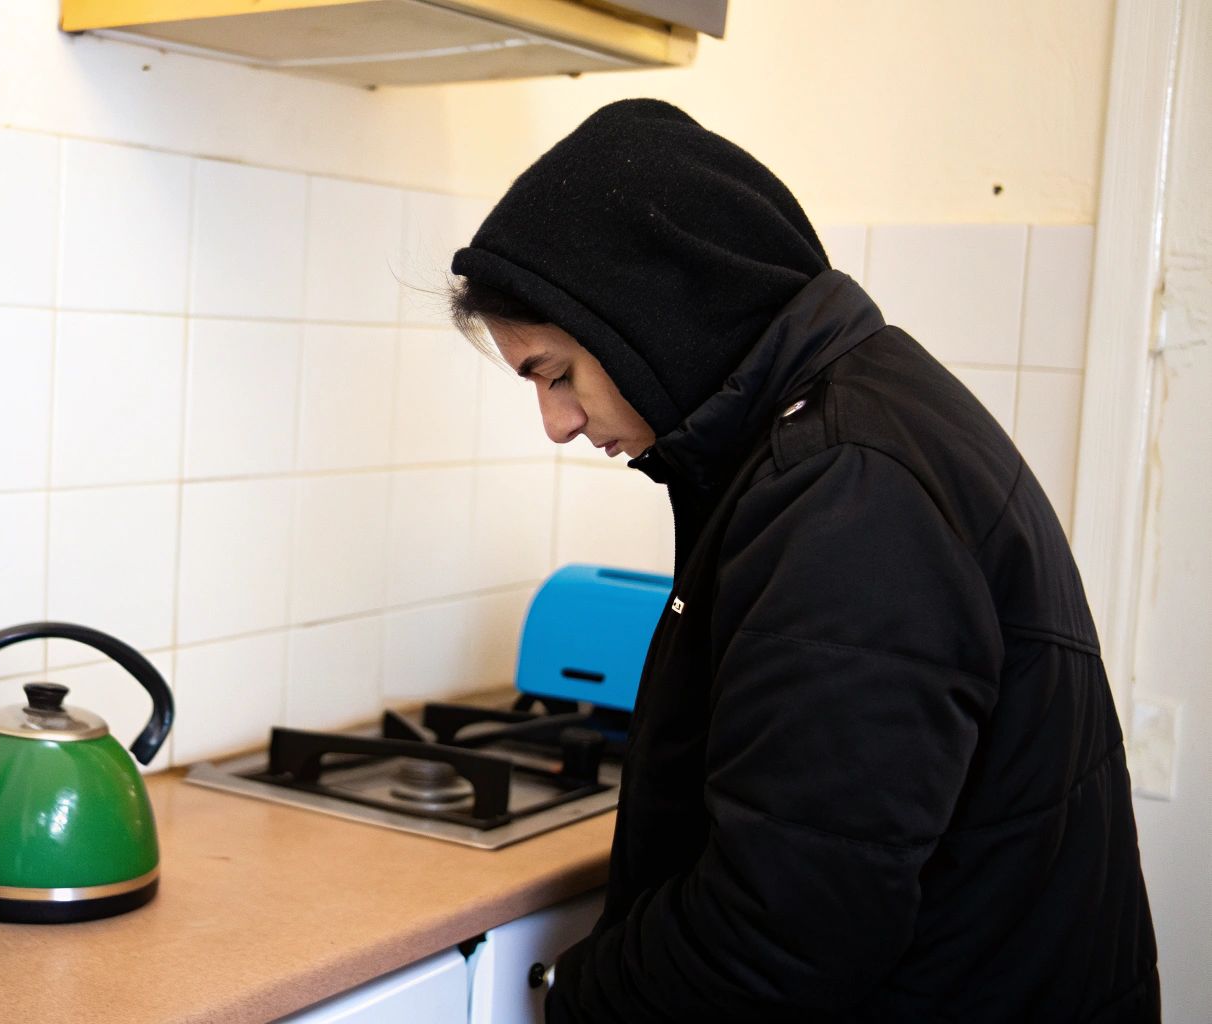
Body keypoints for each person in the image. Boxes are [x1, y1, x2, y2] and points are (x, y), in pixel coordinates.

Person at [448, 99, 1159, 1022]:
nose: (558, 423)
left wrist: (579, 1002)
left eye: (557, 374)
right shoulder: (855, 423)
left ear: (648, 319)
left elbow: (781, 933)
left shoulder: (847, 498)